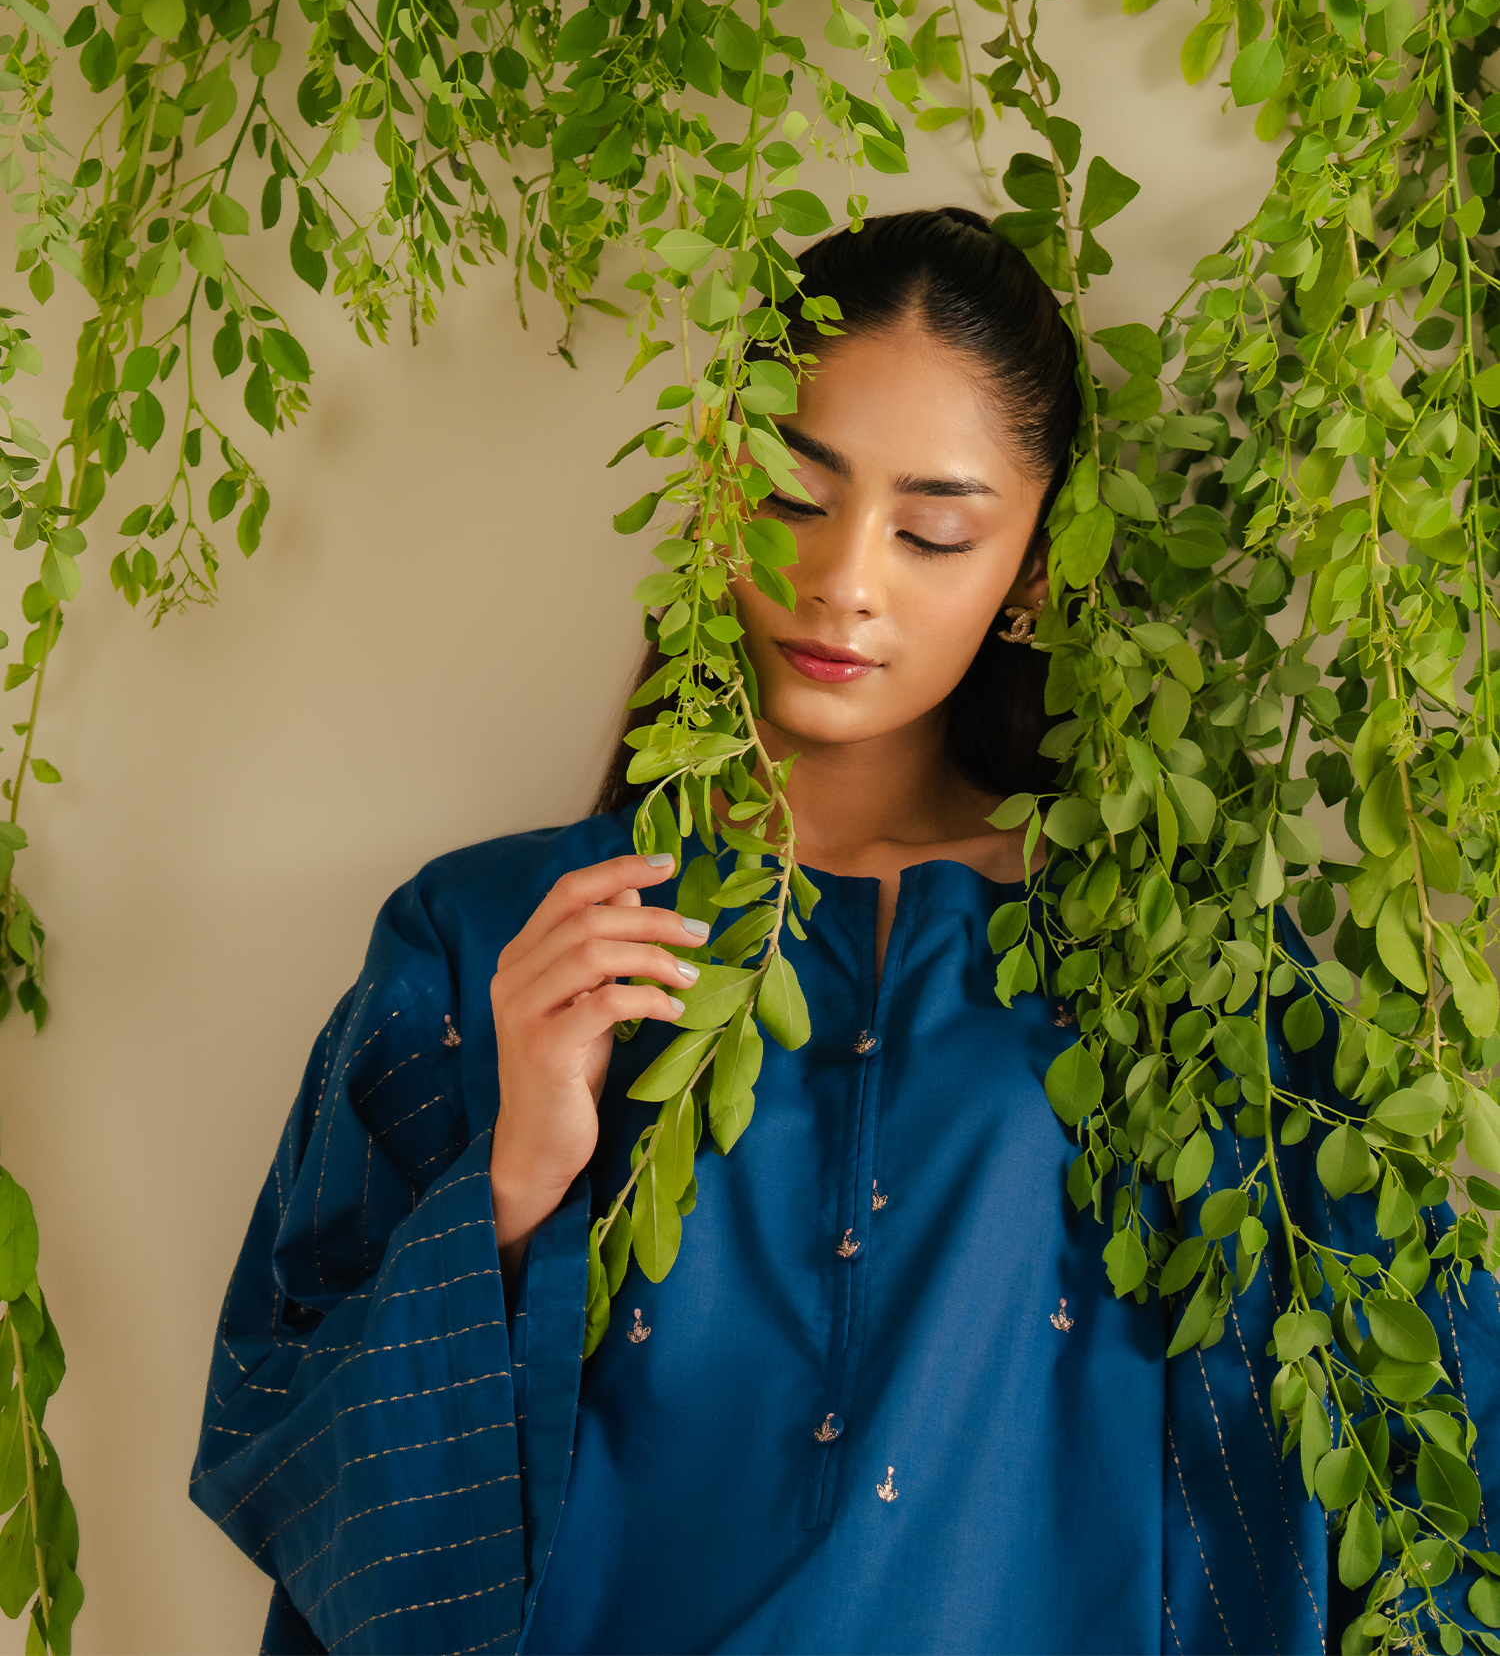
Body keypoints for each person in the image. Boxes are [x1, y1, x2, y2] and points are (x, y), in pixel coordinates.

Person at [191, 208, 1500, 1655]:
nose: (845, 580)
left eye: (934, 530)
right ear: (714, 478)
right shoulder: (493, 934)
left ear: (1037, 567)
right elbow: (283, 1436)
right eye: (798, 493)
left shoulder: (1177, 976)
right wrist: (509, 1193)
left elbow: (1428, 1458)